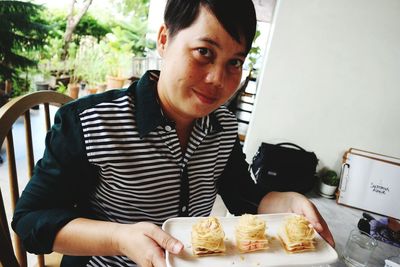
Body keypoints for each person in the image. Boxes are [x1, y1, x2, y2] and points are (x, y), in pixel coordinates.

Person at [12, 0, 334, 266]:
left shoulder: (221, 126)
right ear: (164, 39)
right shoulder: (89, 123)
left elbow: (241, 193)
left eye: (234, 62)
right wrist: (119, 238)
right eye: (204, 52)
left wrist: (286, 201)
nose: (217, 80)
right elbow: (30, 222)